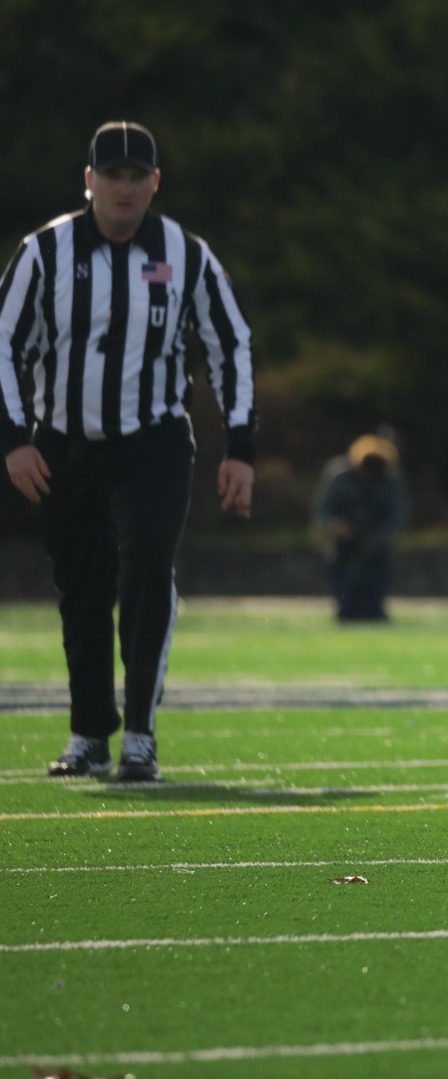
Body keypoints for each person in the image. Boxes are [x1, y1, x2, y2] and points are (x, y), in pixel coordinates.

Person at [0, 121, 257, 783]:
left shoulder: (185, 253)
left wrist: (241, 447)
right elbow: (3, 343)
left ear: (154, 184)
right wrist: (12, 441)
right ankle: (90, 730)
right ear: (88, 180)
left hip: (153, 442)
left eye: (135, 176)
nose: (123, 187)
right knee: (82, 589)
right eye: (110, 175)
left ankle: (139, 729)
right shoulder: (43, 252)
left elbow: (229, 344)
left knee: (146, 567)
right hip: (63, 443)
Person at [313, 433, 408, 623]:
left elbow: (398, 516)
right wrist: (337, 526)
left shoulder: (392, 478)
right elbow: (322, 513)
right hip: (342, 548)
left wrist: (377, 539)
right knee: (345, 601)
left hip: (377, 549)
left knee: (374, 606)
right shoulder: (339, 476)